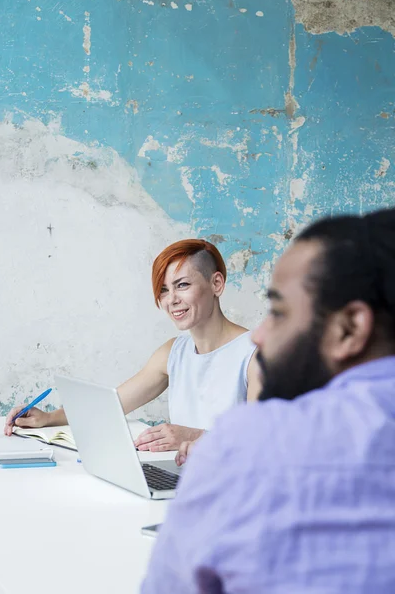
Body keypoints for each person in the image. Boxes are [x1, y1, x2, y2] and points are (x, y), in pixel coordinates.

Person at [142, 207, 395, 593]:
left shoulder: (247, 444)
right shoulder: (175, 352)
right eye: (165, 289)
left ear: (351, 328)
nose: (259, 335)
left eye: (278, 312)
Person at [4, 239, 259, 451]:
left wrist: (195, 437)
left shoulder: (256, 355)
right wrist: (49, 418)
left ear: (216, 283)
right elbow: (111, 404)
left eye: (182, 285)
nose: (172, 300)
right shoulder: (173, 352)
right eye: (163, 290)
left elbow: (264, 443)